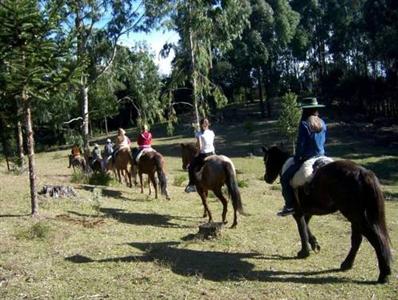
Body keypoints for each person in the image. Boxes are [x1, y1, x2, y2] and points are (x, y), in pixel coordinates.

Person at [278, 97, 327, 216]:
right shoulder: (323, 123)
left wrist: (297, 158)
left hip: (308, 158)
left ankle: (289, 205)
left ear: (305, 110)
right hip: (322, 156)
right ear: (316, 109)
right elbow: (324, 141)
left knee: (284, 179)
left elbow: (300, 145)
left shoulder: (304, 124)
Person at [185, 118, 215, 193]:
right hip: (212, 153)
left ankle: (192, 185)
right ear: (208, 124)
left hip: (204, 154)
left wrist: (196, 154)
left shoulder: (199, 134)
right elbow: (210, 143)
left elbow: (200, 147)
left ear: (201, 125)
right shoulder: (212, 132)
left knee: (191, 166)